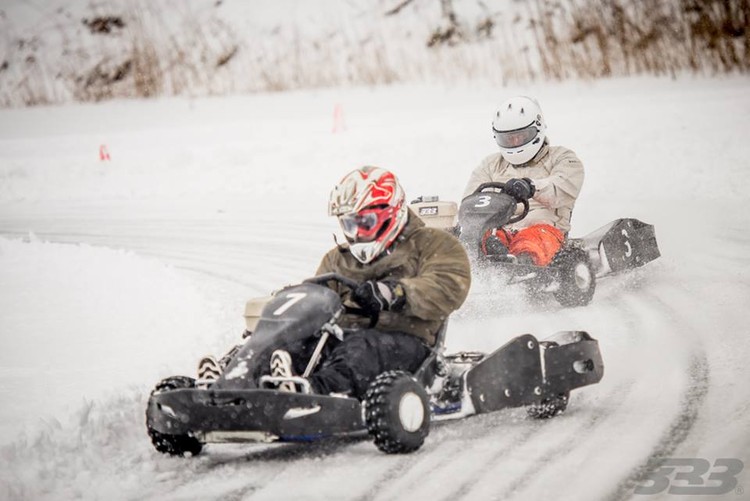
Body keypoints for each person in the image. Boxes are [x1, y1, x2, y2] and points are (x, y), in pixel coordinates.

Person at [271, 166, 471, 399]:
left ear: (391, 213)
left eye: (364, 223)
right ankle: (240, 381)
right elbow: (317, 297)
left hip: (407, 342)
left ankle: (312, 394)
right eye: (349, 225)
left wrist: (394, 293)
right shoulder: (337, 258)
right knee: (292, 343)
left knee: (360, 349)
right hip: (341, 338)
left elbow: (448, 286)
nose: (356, 233)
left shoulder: (434, 244)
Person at [462, 96, 584, 267]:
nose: (515, 142)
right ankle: (486, 261)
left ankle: (522, 266)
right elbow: (471, 202)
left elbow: (563, 188)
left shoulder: (562, 158)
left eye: (521, 136)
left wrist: (531, 187)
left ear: (537, 128)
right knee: (479, 238)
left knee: (530, 241)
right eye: (509, 138)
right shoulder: (490, 165)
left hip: (543, 228)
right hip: (500, 229)